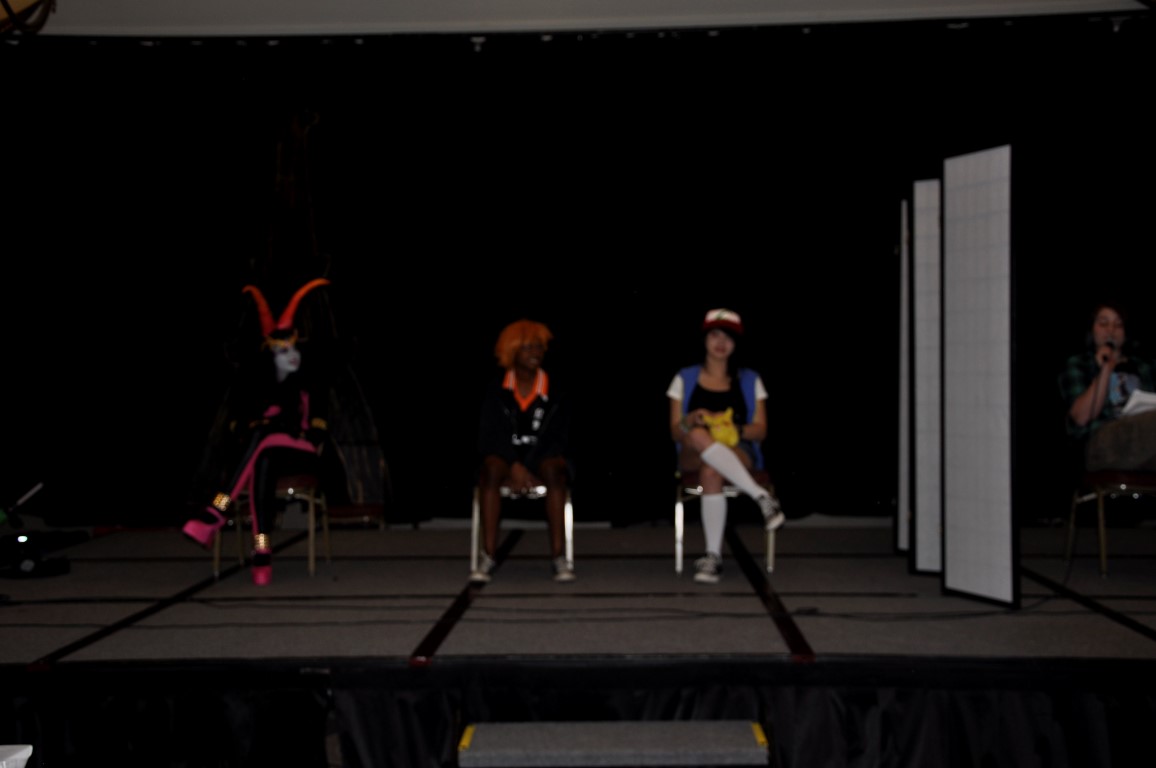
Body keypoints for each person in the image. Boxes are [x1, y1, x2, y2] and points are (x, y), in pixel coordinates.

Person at [182, 278, 332, 586]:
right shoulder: (255, 388)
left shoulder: (310, 381)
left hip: (301, 450)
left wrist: (304, 433)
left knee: (262, 439)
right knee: (262, 456)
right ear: (271, 354)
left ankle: (216, 510)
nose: (291, 354)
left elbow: (319, 424)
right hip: (265, 454)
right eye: (282, 350)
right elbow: (237, 426)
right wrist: (257, 426)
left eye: (293, 347)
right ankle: (262, 549)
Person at [667, 308, 785, 584]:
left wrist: (732, 428)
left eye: (728, 337)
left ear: (736, 344)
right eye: (715, 335)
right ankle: (761, 497)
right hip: (692, 451)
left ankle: (713, 557)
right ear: (704, 339)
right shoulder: (684, 377)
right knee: (698, 434)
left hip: (737, 449)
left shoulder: (750, 379)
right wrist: (691, 420)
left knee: (712, 471)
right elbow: (675, 432)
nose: (721, 342)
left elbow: (761, 430)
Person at [471, 319, 575, 584]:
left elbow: (559, 438)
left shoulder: (556, 389)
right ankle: (488, 556)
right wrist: (514, 465)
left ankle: (559, 557)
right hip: (507, 460)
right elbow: (489, 437)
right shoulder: (496, 389)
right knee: (490, 469)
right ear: (512, 350)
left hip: (540, 460)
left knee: (555, 470)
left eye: (539, 347)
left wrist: (527, 467)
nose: (536, 353)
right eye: (528, 347)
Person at [1058, 301, 1156, 474]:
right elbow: (1081, 417)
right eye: (1103, 324)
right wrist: (1105, 370)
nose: (1111, 330)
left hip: (1144, 436)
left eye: (1118, 325)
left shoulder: (1144, 367)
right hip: (1102, 441)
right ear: (1092, 330)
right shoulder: (1080, 364)